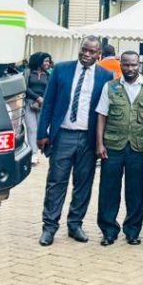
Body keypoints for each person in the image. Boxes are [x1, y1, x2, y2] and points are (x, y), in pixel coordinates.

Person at [37, 36, 111, 246]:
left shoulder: (106, 76)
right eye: (84, 49)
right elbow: (48, 103)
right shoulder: (61, 69)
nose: (86, 54)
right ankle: (49, 227)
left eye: (92, 52)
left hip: (88, 138)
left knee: (83, 183)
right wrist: (42, 133)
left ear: (99, 54)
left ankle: (75, 224)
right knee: (56, 182)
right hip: (63, 135)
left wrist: (101, 141)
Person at [95, 51, 143, 246]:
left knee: (136, 191)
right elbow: (102, 115)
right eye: (126, 65)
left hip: (138, 146)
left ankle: (133, 231)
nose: (130, 68)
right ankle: (109, 231)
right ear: (120, 65)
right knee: (109, 190)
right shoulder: (110, 86)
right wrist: (99, 143)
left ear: (139, 65)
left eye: (133, 65)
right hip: (113, 145)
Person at [25, 52, 52, 165]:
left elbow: (50, 89)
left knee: (41, 129)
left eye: (49, 61)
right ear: (39, 61)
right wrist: (37, 98)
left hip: (43, 105)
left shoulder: (49, 75)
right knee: (32, 128)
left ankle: (44, 149)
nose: (48, 63)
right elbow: (25, 87)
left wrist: (43, 99)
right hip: (29, 103)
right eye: (45, 61)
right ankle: (34, 154)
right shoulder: (28, 73)